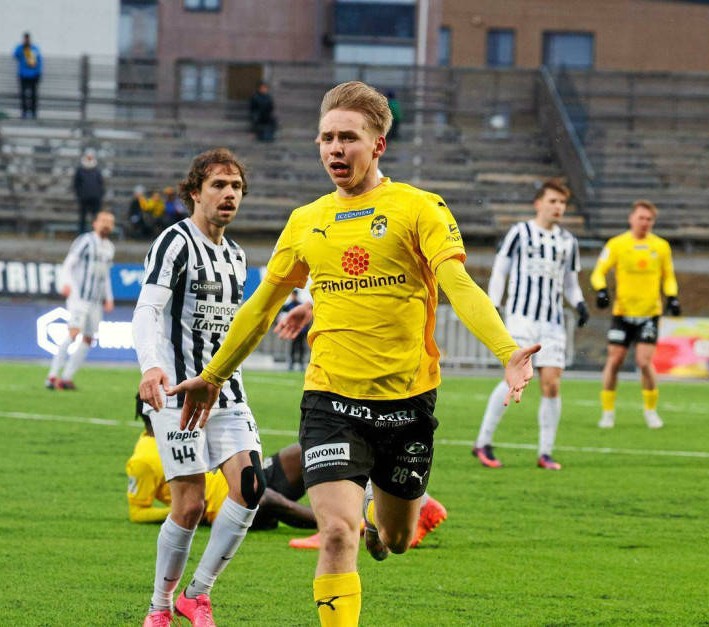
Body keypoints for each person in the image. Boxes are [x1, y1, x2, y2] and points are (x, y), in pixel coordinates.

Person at [168, 81, 538, 627]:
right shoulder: (306, 221)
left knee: (397, 536)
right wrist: (213, 374)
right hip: (331, 401)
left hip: (407, 402)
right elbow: (261, 305)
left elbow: (457, 284)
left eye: (348, 137)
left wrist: (506, 350)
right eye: (326, 138)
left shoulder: (418, 207)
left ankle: (380, 524)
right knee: (337, 533)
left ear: (378, 145)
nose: (335, 149)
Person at [133, 148, 263, 627]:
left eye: (236, 187)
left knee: (250, 486)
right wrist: (151, 368)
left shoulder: (237, 257)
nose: (229, 195)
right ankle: (159, 607)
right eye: (218, 185)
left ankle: (197, 593)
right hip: (177, 392)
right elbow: (147, 309)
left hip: (226, 391)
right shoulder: (174, 243)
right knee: (188, 506)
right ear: (194, 193)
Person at [126, 414, 448, 548]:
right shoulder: (143, 458)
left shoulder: (186, 430)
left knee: (312, 451)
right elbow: (137, 511)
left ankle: (419, 502)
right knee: (263, 499)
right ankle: (346, 524)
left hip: (251, 478)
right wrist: (187, 512)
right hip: (229, 505)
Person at [472, 180, 588, 471]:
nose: (558, 207)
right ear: (538, 204)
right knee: (515, 378)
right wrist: (493, 304)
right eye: (552, 201)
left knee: (552, 383)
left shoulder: (568, 241)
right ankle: (483, 442)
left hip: (553, 322)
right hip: (521, 318)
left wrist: (580, 303)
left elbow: (571, 284)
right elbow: (501, 271)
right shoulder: (519, 233)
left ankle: (545, 452)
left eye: (562, 203)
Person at [590, 200, 679, 430]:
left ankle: (650, 411)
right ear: (631, 218)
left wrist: (672, 296)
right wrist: (601, 290)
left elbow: (668, 276)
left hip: (649, 314)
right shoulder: (617, 244)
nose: (645, 222)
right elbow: (598, 272)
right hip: (622, 313)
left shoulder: (661, 246)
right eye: (641, 217)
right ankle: (608, 412)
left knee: (644, 362)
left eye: (649, 219)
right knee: (614, 360)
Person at [44, 211, 115, 390]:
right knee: (74, 332)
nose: (106, 224)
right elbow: (68, 264)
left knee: (89, 339)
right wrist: (65, 283)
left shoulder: (110, 247)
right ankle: (52, 376)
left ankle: (66, 378)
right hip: (79, 298)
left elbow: (105, 275)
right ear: (95, 223)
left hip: (96, 301)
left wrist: (109, 297)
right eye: (103, 221)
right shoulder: (85, 241)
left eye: (110, 222)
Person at [73, 149, 105, 234]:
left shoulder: (97, 170)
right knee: (83, 217)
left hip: (95, 198)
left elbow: (101, 183)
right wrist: (80, 194)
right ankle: (82, 233)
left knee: (95, 217)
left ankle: (95, 233)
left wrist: (99, 194)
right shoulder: (80, 170)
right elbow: (76, 184)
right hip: (84, 198)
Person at [12, 32, 42, 118]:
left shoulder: (34, 48)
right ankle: (24, 112)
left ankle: (34, 113)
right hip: (23, 75)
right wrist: (23, 48)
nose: (26, 40)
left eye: (27, 39)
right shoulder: (21, 48)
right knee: (23, 95)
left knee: (33, 95)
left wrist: (38, 73)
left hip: (33, 75)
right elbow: (15, 55)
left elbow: (39, 61)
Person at [280, 290, 310, 370]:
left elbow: (305, 318)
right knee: (292, 348)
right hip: (292, 331)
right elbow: (282, 315)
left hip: (301, 331)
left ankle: (301, 364)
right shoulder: (287, 306)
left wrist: (305, 329)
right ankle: (291, 364)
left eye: (295, 295)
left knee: (301, 348)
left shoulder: (301, 306)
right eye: (293, 295)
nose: (294, 297)